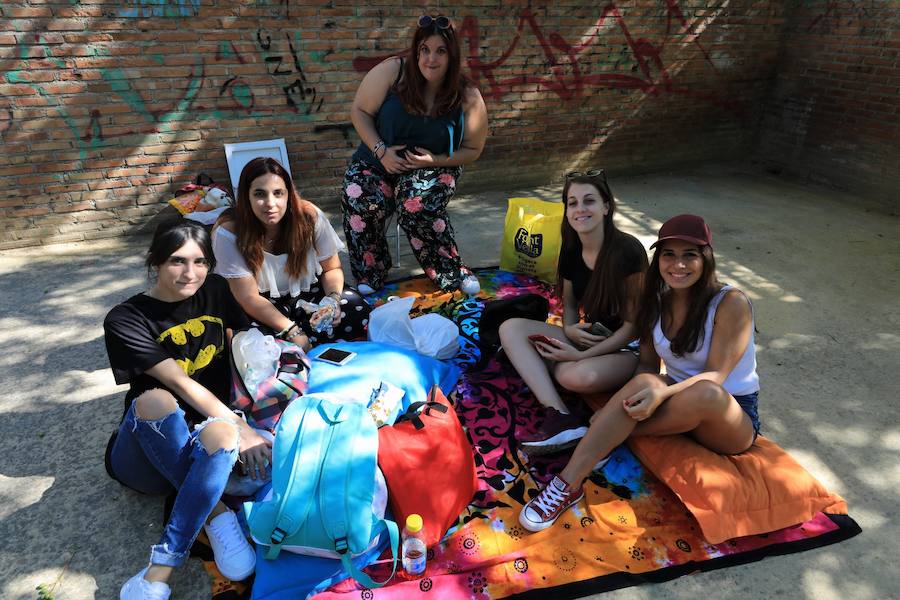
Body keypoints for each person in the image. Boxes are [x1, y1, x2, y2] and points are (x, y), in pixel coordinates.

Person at [518, 214, 761, 533]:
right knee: (645, 380)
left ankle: (599, 439)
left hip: (729, 417)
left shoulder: (730, 302)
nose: (679, 265)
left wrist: (655, 396)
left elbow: (716, 375)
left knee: (704, 393)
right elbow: (647, 365)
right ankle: (567, 485)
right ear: (658, 259)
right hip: (679, 401)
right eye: (669, 254)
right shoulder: (656, 301)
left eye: (690, 254)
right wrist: (643, 392)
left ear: (706, 258)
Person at [104, 220, 266, 599]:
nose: (189, 274)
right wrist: (245, 429)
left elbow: (239, 344)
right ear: (155, 262)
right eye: (177, 261)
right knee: (157, 399)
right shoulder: (126, 318)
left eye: (200, 262)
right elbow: (178, 381)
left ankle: (161, 572)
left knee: (221, 431)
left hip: (208, 441)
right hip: (147, 449)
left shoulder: (216, 290)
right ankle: (215, 518)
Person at [499, 170, 648, 454]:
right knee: (510, 328)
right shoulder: (570, 249)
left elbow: (634, 325)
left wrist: (580, 355)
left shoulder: (627, 251)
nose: (580, 209)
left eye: (589, 201)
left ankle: (542, 365)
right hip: (591, 337)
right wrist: (568, 329)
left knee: (572, 376)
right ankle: (561, 416)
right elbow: (568, 305)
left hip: (627, 348)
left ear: (606, 207)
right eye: (572, 202)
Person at [341, 14, 489, 295]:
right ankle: (369, 273)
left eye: (440, 51)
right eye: (425, 50)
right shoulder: (393, 71)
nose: (431, 59)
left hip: (434, 165)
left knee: (417, 204)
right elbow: (359, 111)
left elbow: (473, 149)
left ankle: (451, 271)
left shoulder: (467, 94)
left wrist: (435, 161)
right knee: (359, 196)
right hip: (379, 157)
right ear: (416, 50)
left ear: (452, 55)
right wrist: (381, 151)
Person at [213, 156, 370, 350]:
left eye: (278, 193)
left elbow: (332, 268)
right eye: (259, 194)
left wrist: (332, 301)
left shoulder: (309, 216)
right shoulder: (229, 231)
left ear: (289, 194)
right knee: (252, 342)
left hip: (307, 294)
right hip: (259, 305)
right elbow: (248, 297)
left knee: (356, 308)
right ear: (246, 196)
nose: (270, 203)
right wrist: (292, 330)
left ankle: (308, 343)